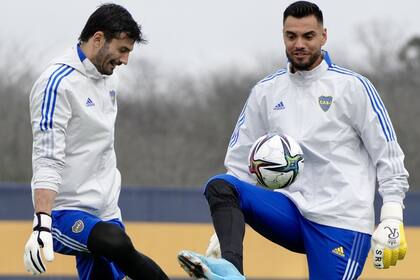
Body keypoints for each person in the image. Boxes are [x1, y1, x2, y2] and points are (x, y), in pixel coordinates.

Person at [178, 1, 409, 279]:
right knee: (221, 187)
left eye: (308, 36)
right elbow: (240, 166)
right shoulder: (266, 91)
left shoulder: (353, 87)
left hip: (342, 223)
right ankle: (231, 271)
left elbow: (388, 156)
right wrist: (221, 232)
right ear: (283, 36)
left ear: (323, 36)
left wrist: (392, 216)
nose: (299, 43)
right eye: (291, 36)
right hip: (291, 212)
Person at [23, 4, 169, 280]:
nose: (125, 61)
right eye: (123, 50)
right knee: (116, 243)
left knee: (111, 251)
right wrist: (42, 222)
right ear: (98, 39)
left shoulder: (107, 79)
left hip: (106, 212)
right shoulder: (57, 84)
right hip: (64, 214)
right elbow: (47, 157)